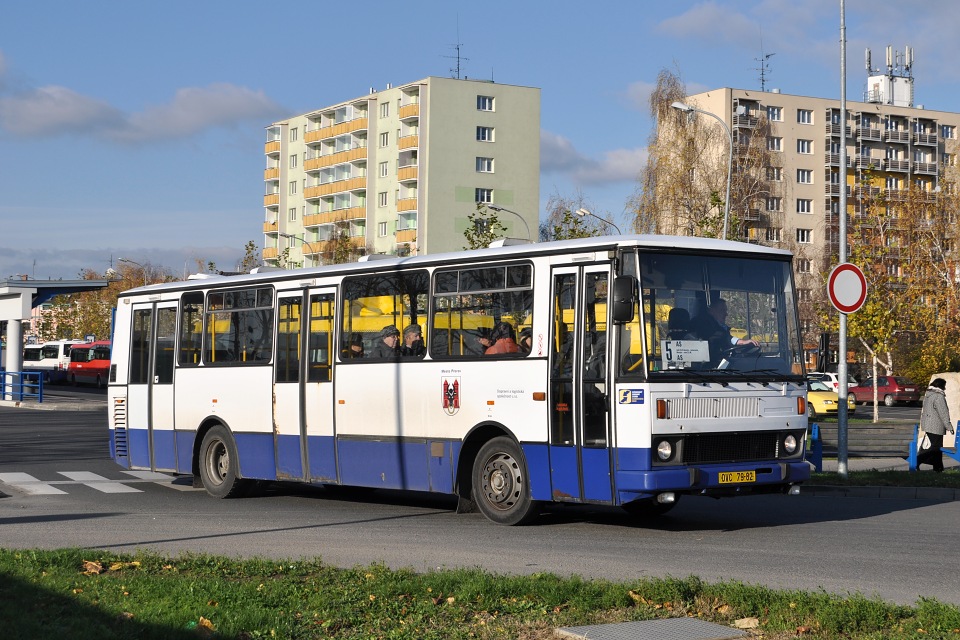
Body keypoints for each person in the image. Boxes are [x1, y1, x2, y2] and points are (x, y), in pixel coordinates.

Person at [690, 296, 758, 365]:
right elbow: (722, 336)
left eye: (726, 311)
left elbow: (726, 336)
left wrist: (741, 342)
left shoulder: (717, 325)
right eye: (722, 310)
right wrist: (740, 342)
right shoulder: (703, 324)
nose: (726, 314)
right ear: (711, 311)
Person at [918, 378, 954, 473]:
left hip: (928, 424)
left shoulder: (929, 395)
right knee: (936, 447)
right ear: (941, 386)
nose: (945, 388)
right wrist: (949, 426)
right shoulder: (939, 396)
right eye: (944, 385)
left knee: (936, 447)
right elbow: (943, 413)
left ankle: (938, 468)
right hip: (936, 426)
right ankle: (918, 460)